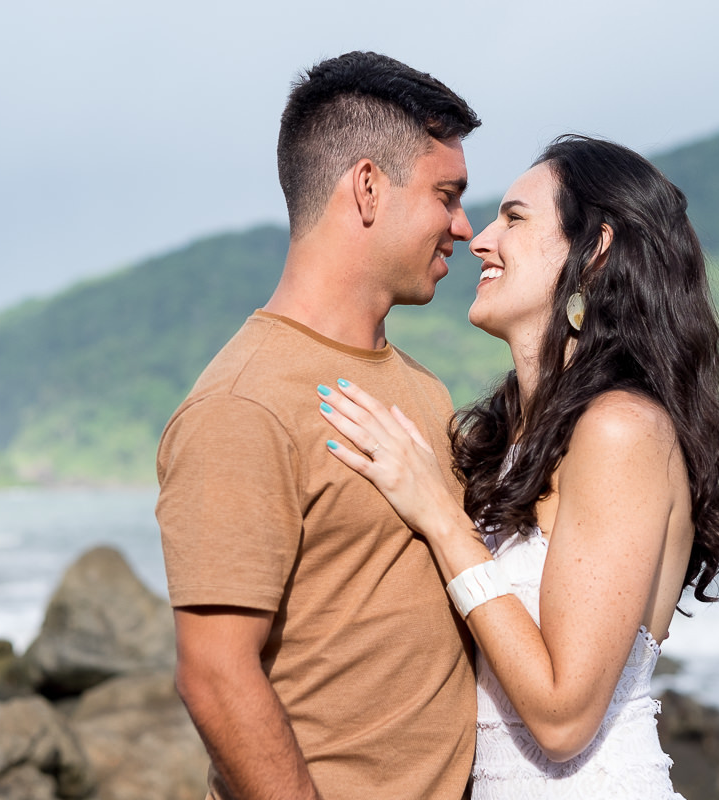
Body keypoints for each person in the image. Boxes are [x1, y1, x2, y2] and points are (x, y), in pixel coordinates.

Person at [318, 135, 719, 798]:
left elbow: (562, 717)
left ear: (595, 250)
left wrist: (439, 515)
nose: (481, 239)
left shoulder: (619, 430)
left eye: (515, 218)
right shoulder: (512, 438)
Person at [156, 51, 481, 800]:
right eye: (447, 194)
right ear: (368, 186)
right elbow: (212, 672)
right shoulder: (242, 405)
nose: (463, 227)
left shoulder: (423, 388)